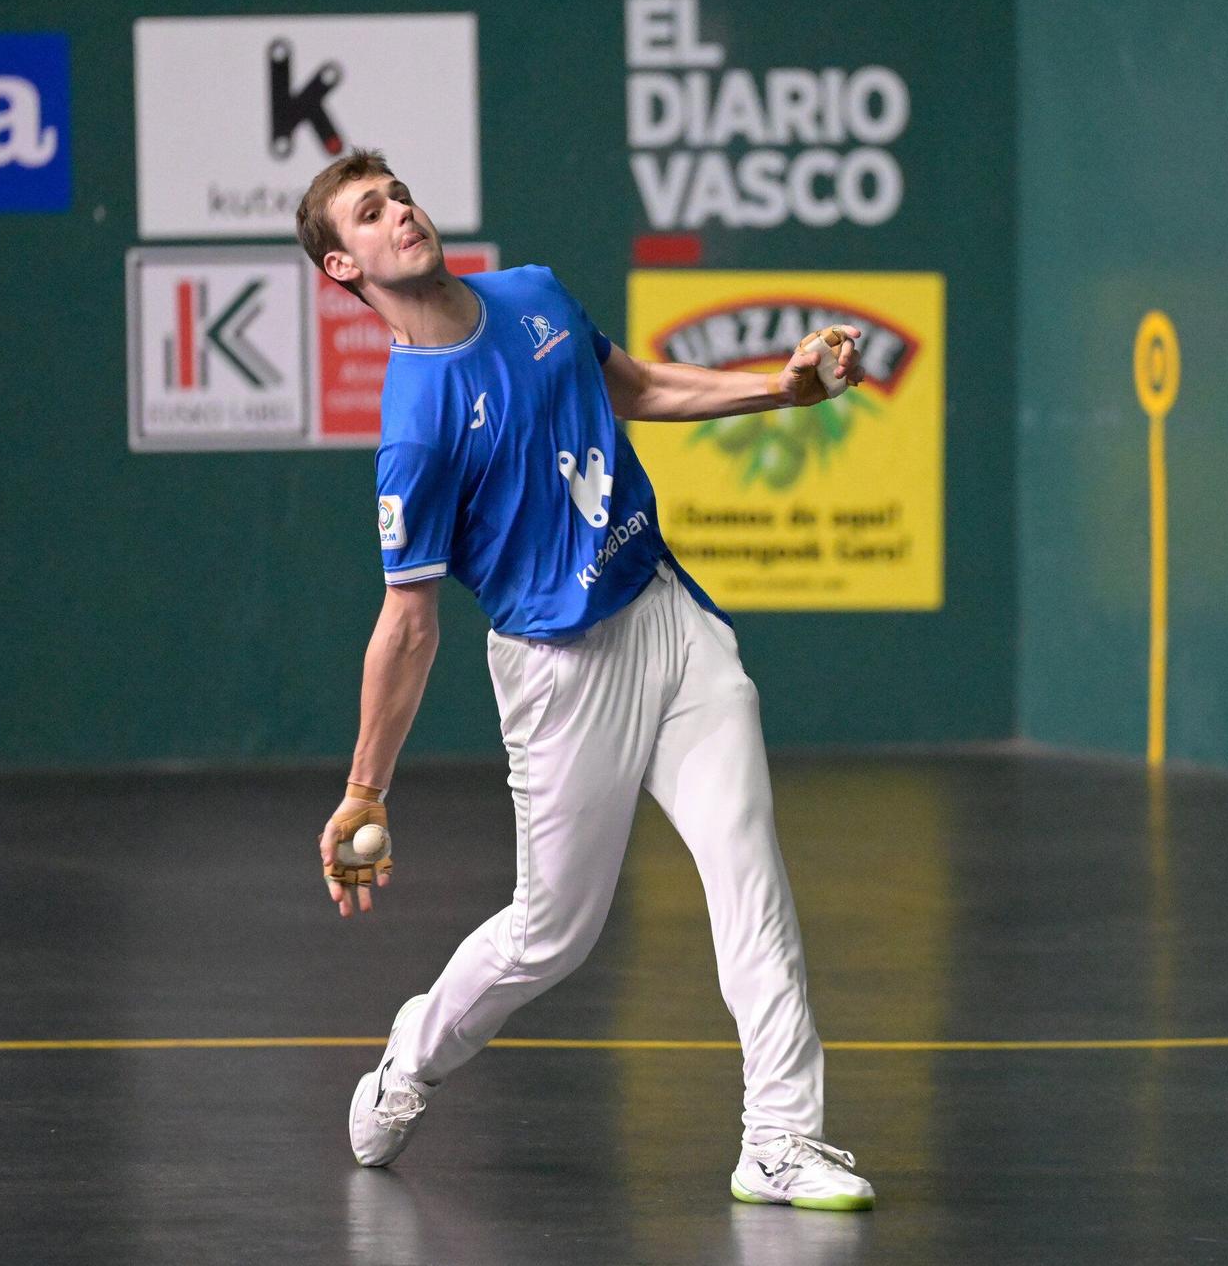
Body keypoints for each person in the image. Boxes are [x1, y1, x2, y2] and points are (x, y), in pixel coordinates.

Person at [294, 147, 874, 1211]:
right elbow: (408, 625)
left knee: (749, 868)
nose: (401, 215)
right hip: (560, 677)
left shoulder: (534, 296)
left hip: (666, 617)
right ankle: (410, 1060)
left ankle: (780, 1137)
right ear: (344, 267)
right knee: (550, 934)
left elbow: (640, 384)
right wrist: (366, 788)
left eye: (401, 196)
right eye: (370, 216)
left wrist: (777, 392)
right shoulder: (415, 426)